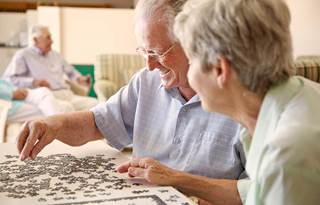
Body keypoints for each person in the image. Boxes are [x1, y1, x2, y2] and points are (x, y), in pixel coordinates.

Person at [16, 0, 246, 204]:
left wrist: (179, 180)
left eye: (157, 52)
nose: (150, 65)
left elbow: (258, 193)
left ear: (193, 42)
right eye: (143, 52)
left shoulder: (241, 99)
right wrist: (55, 124)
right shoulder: (146, 81)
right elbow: (98, 122)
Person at [118, 0, 320, 204]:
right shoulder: (296, 100)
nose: (189, 73)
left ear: (220, 70)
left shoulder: (286, 154)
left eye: (192, 59)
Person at [2, 25, 97, 111]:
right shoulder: (23, 55)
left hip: (67, 94)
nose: (52, 41)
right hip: (47, 96)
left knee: (95, 104)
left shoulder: (56, 55)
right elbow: (9, 79)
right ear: (35, 40)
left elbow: (71, 72)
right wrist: (33, 82)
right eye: (48, 38)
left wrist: (80, 78)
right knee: (66, 108)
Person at [0, 79, 73, 123]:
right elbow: (15, 93)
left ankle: (58, 125)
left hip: (20, 96)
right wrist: (11, 94)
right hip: (9, 104)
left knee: (65, 105)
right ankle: (57, 125)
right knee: (63, 107)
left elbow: (10, 85)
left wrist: (17, 90)